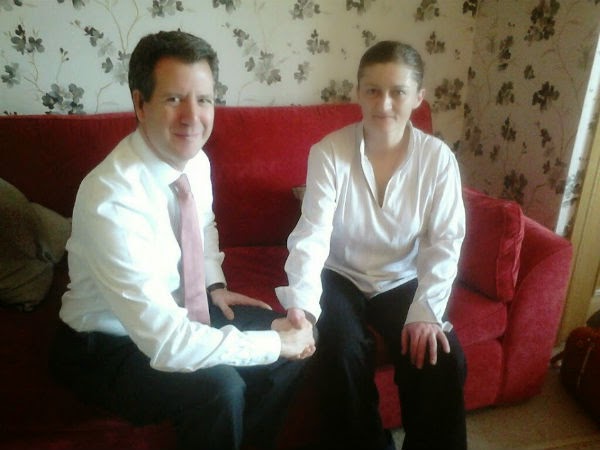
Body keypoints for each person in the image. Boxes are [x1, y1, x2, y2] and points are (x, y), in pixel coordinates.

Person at [49, 30, 315, 450]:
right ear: (140, 104)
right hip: (106, 344)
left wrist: (214, 285)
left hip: (182, 310)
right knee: (221, 388)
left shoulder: (195, 161)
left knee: (293, 344)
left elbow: (202, 225)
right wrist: (272, 344)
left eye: (204, 99)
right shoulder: (111, 199)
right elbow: (167, 343)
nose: (193, 117)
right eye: (174, 99)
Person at [275, 40, 468, 450]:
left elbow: (444, 241)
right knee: (339, 352)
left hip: (400, 275)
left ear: (418, 97)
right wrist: (302, 305)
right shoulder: (328, 152)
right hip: (339, 273)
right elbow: (312, 234)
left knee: (442, 354)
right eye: (373, 90)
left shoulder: (438, 159)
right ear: (358, 93)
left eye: (398, 91)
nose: (384, 104)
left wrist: (426, 312)